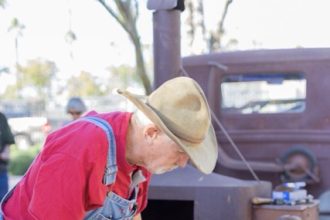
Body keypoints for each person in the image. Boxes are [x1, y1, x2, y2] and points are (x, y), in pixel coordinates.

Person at [0, 77, 218, 220]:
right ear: (151, 133)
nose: (182, 164)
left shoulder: (143, 160)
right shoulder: (79, 149)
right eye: (181, 153)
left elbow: (134, 216)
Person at [0, 112, 15, 201]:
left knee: (3, 202)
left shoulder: (1, 117)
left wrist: (4, 155)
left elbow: (8, 142)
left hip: (1, 169)